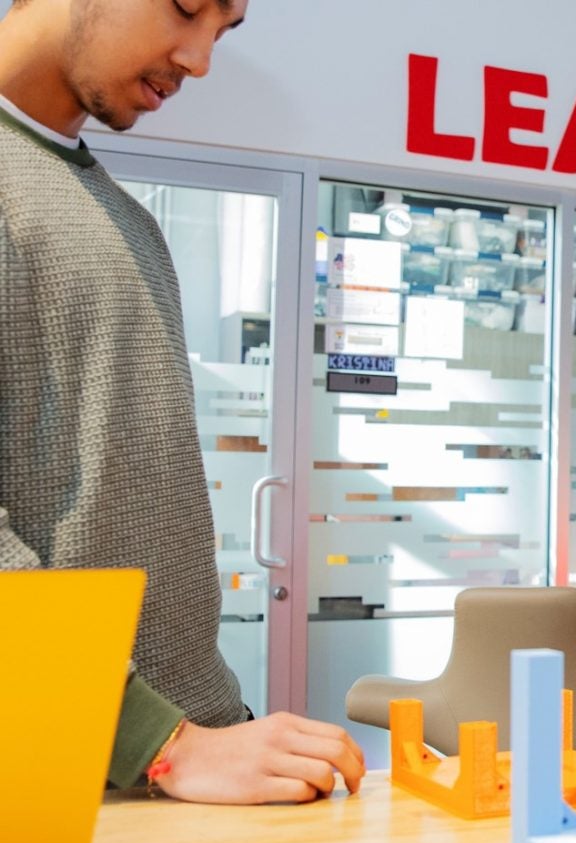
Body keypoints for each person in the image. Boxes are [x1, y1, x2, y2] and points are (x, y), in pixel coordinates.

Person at [0, 0, 365, 802]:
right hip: (55, 778)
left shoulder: (127, 219)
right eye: (187, 7)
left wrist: (211, 729)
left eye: (224, 32)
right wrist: (159, 743)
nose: (198, 59)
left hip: (177, 755)